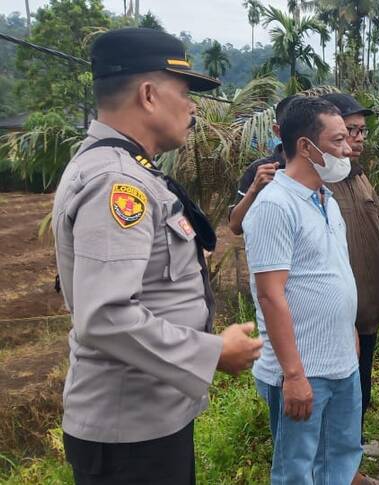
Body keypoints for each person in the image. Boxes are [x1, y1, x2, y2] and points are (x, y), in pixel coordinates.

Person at [53, 28, 262, 484]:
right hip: (129, 438)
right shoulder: (116, 182)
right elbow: (105, 315)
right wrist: (212, 353)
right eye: (185, 93)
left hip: (146, 423)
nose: (192, 108)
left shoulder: (130, 170)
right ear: (149, 95)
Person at [244, 96, 363, 484]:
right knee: (297, 468)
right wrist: (294, 374)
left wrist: (350, 334)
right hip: (303, 369)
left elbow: (333, 275)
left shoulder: (326, 200)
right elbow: (270, 295)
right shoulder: (275, 206)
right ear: (305, 147)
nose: (347, 149)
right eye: (338, 140)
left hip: (340, 362)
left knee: (340, 457)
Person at [320, 93, 379, 430]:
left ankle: (348, 464)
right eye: (349, 131)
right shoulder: (318, 184)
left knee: (359, 395)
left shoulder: (359, 177)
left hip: (366, 314)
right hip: (335, 321)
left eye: (361, 131)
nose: (358, 138)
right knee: (332, 402)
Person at [227, 95, 300, 235]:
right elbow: (235, 226)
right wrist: (254, 189)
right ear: (277, 131)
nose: (305, 135)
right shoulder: (260, 170)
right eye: (295, 129)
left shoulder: (323, 168)